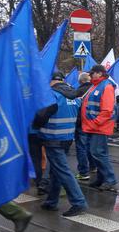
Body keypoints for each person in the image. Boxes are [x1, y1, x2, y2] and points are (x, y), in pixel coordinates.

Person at [36, 72, 88, 216]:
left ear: (51, 81)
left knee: (63, 171)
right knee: (56, 170)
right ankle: (51, 201)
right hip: (67, 137)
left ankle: (79, 202)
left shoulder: (52, 95)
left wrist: (34, 124)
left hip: (52, 137)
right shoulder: (73, 95)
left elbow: (41, 116)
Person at [81, 65, 118, 191]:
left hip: (99, 126)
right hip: (93, 126)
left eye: (92, 73)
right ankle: (102, 178)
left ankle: (110, 179)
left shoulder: (106, 86)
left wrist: (95, 123)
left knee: (98, 153)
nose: (90, 75)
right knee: (97, 153)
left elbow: (107, 110)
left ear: (100, 73)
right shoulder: (96, 85)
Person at [74, 72, 96, 180]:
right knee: (90, 145)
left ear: (81, 81)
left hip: (81, 123)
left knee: (81, 147)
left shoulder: (78, 91)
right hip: (93, 122)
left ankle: (83, 172)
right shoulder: (95, 89)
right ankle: (93, 166)